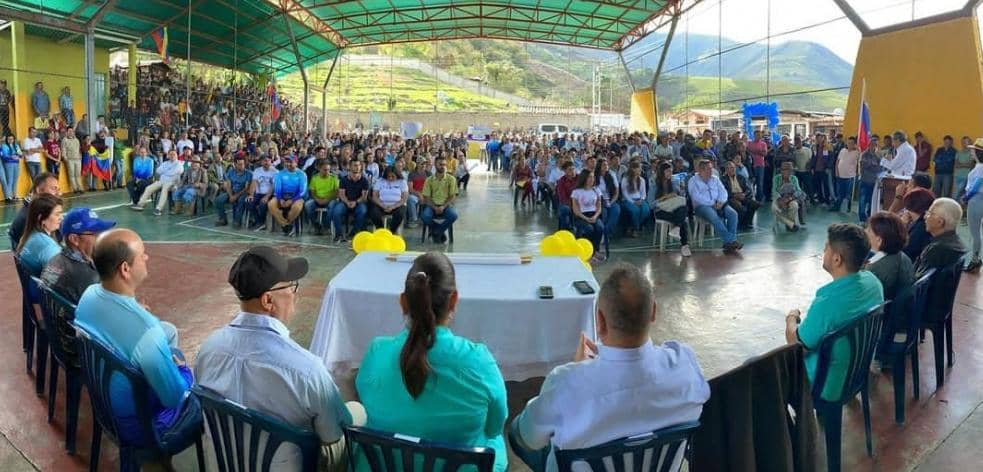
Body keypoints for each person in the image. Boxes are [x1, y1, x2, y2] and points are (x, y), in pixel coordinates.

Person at [510, 264, 709, 472]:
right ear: (653, 312)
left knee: (519, 434)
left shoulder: (565, 382)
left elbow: (528, 438)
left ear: (600, 321)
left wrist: (578, 372)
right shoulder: (684, 363)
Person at [195, 246, 361, 471]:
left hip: (223, 462)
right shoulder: (306, 369)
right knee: (355, 418)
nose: (294, 293)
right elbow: (334, 434)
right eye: (291, 287)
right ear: (267, 301)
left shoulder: (209, 349)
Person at [355, 252, 508, 472]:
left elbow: (366, 399)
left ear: (403, 302)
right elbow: (494, 426)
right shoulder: (479, 361)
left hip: (385, 466)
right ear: (454, 300)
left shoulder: (376, 352)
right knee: (495, 442)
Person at [74, 229, 202, 461]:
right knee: (195, 394)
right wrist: (183, 371)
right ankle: (157, 458)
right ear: (125, 269)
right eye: (142, 254)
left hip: (103, 403)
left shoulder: (90, 294)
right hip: (139, 426)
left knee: (168, 351)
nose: (147, 258)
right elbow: (174, 398)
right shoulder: (147, 331)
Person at [785, 224, 884, 400]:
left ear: (837, 259)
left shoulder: (828, 302)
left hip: (827, 386)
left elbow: (798, 346)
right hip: (857, 372)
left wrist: (791, 318)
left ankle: (793, 425)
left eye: (825, 248)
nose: (823, 252)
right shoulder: (873, 282)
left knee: (760, 372)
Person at [39, 208, 116, 368]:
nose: (101, 238)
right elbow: (109, 321)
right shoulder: (88, 277)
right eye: (95, 234)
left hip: (60, 339)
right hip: (80, 351)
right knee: (161, 333)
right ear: (74, 238)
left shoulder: (55, 260)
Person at [688, 159, 742, 253]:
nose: (711, 171)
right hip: (702, 206)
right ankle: (731, 241)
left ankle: (729, 243)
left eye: (711, 169)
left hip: (719, 204)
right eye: (709, 169)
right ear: (701, 170)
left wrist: (721, 202)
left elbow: (723, 192)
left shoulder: (715, 179)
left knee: (733, 214)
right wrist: (711, 204)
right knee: (714, 216)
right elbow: (696, 197)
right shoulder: (693, 181)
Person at [865, 212, 915, 303]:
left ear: (879, 240)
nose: (865, 232)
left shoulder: (874, 270)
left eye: (868, 230)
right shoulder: (903, 257)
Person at [914, 198, 967, 276]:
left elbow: (918, 284)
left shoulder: (936, 250)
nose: (925, 217)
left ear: (940, 222)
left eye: (929, 213)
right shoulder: (959, 244)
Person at [16, 193, 64, 276]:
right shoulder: (47, 246)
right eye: (57, 214)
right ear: (41, 218)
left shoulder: (28, 236)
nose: (61, 218)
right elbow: (59, 278)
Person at [132, 150, 185, 216]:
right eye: (170, 154)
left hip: (172, 182)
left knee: (164, 189)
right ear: (168, 155)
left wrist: (165, 172)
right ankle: (140, 204)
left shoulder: (179, 164)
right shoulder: (165, 163)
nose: (172, 156)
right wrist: (167, 171)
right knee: (149, 188)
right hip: (161, 181)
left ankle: (159, 209)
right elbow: (158, 171)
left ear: (177, 155)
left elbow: (174, 172)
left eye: (174, 154)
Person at [421, 156, 458, 243]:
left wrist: (443, 207)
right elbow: (426, 197)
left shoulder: (451, 179)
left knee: (453, 215)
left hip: (445, 206)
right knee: (425, 216)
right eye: (440, 164)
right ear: (435, 165)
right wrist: (434, 207)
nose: (443, 166)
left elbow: (452, 196)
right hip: (431, 205)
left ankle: (436, 232)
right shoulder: (429, 180)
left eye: (444, 164)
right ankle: (439, 231)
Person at [268, 156, 308, 236]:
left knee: (297, 207)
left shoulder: (301, 174)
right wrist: (280, 199)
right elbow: (277, 188)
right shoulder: (280, 173)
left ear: (296, 163)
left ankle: (287, 225)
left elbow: (302, 191)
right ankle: (286, 225)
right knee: (271, 204)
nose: (288, 164)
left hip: (297, 197)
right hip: (282, 196)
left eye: (290, 162)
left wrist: (292, 200)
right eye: (286, 162)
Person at [331, 159, 370, 242]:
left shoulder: (364, 180)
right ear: (350, 167)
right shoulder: (344, 180)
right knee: (336, 211)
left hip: (359, 202)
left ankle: (354, 233)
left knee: (362, 211)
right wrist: (347, 202)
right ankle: (339, 234)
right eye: (354, 165)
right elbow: (341, 194)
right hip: (345, 202)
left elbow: (364, 197)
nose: (357, 167)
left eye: (358, 165)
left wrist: (355, 202)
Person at [571, 169, 605, 261]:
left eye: (593, 177)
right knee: (589, 229)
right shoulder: (576, 192)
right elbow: (575, 210)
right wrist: (585, 218)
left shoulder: (596, 190)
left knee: (599, 227)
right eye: (589, 177)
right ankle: (588, 252)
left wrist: (595, 216)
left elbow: (599, 206)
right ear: (584, 178)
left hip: (594, 214)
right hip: (581, 216)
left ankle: (595, 250)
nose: (592, 179)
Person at [962, 138, 983, 273]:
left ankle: (975, 259)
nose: (971, 152)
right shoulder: (979, 166)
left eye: (973, 150)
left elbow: (976, 186)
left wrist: (965, 197)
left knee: (975, 232)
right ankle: (976, 257)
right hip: (978, 199)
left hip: (976, 199)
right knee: (977, 232)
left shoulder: (981, 167)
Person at [213, 155, 253, 228]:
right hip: (232, 192)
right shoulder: (231, 172)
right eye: (239, 164)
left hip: (243, 193)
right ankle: (223, 219)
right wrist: (231, 196)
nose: (241, 166)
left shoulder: (249, 173)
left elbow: (246, 188)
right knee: (218, 200)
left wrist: (235, 196)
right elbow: (228, 185)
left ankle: (237, 221)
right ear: (235, 164)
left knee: (241, 200)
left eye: (243, 164)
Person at [369, 165, 408, 234]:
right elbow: (374, 196)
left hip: (397, 205)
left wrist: (393, 206)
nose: (390, 178)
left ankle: (391, 231)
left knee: (400, 214)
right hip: (381, 204)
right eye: (388, 176)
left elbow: (404, 198)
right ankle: (381, 231)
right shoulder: (380, 181)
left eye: (393, 176)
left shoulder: (402, 182)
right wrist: (383, 205)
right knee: (374, 213)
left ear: (397, 175)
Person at [901, 188, 935, 263]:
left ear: (911, 208)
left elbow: (902, 252)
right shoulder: (924, 222)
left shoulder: (920, 228)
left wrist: (902, 226)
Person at [305, 159, 339, 235]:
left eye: (328, 170)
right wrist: (317, 199)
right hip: (317, 199)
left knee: (332, 205)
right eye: (325, 170)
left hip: (330, 199)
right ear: (319, 169)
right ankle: (316, 225)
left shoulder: (334, 178)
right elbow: (312, 191)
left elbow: (336, 192)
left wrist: (327, 199)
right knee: (308, 205)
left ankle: (326, 226)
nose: (327, 172)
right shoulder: (315, 178)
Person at [722, 159, 757, 230]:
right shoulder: (723, 179)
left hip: (742, 195)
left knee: (754, 204)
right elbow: (724, 192)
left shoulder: (741, 177)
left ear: (735, 168)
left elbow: (748, 189)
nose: (731, 170)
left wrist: (744, 194)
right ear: (726, 170)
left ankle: (748, 222)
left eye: (732, 168)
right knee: (740, 207)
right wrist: (734, 196)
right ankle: (741, 223)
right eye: (728, 168)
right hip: (731, 198)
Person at [619, 161, 649, 238]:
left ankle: (632, 227)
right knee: (635, 210)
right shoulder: (625, 179)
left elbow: (643, 193)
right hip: (628, 200)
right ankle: (636, 228)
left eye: (640, 169)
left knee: (646, 210)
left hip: (639, 199)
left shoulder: (642, 180)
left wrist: (641, 200)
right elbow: (625, 193)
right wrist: (633, 202)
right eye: (638, 169)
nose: (640, 171)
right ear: (632, 169)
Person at [858, 135, 883, 224]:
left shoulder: (879, 155)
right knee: (862, 200)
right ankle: (862, 218)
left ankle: (869, 216)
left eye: (875, 145)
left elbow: (881, 168)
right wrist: (874, 165)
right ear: (869, 145)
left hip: (874, 181)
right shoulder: (864, 154)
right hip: (865, 180)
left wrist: (874, 164)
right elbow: (864, 165)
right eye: (872, 144)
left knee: (872, 200)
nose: (874, 146)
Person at [830, 137, 859, 212]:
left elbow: (860, 161)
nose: (849, 144)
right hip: (840, 175)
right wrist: (836, 171)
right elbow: (837, 161)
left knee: (848, 194)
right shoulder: (842, 150)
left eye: (851, 143)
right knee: (840, 193)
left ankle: (849, 207)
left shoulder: (856, 153)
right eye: (848, 143)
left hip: (850, 176)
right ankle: (837, 207)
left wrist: (858, 148)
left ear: (854, 144)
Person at [594, 158, 621, 240]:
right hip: (599, 201)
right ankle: (603, 234)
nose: (606, 166)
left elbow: (616, 192)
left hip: (611, 200)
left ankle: (606, 233)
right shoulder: (595, 176)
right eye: (604, 165)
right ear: (599, 166)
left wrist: (611, 202)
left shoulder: (612, 175)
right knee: (604, 214)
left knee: (616, 211)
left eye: (607, 165)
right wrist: (602, 202)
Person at [772, 161, 803, 231]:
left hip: (790, 199)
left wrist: (789, 199)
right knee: (774, 208)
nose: (785, 172)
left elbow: (799, 191)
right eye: (783, 170)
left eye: (788, 170)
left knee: (794, 206)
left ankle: (789, 225)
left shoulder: (794, 178)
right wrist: (781, 200)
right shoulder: (776, 178)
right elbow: (774, 191)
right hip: (779, 199)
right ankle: (791, 224)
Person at [555, 161, 577, 231]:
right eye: (570, 169)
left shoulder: (579, 178)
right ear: (565, 171)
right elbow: (563, 198)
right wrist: (573, 206)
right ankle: (563, 231)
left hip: (579, 203)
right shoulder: (561, 181)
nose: (573, 171)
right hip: (566, 203)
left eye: (573, 169)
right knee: (565, 210)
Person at [1, 134, 23, 201]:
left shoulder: (16, 146)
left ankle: (14, 195)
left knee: (15, 180)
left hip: (16, 164)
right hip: (8, 164)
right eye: (9, 139)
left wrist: (19, 155)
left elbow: (21, 154)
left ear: (14, 140)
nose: (10, 140)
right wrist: (12, 156)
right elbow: (4, 156)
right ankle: (8, 196)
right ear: (6, 140)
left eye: (12, 139)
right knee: (9, 180)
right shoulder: (4, 146)